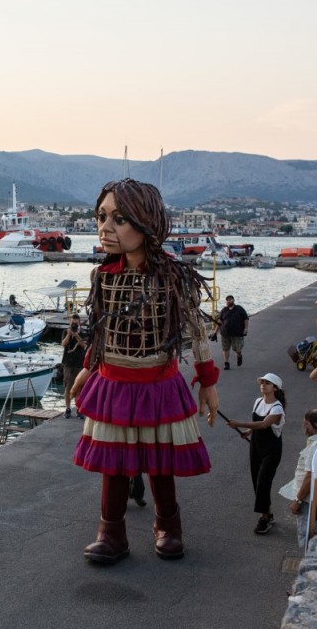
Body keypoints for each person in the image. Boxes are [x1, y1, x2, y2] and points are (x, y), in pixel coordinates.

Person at [71, 178, 218, 565]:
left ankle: (168, 526)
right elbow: (101, 328)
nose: (106, 228)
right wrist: (88, 368)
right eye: (102, 217)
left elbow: (196, 328)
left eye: (119, 219)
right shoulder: (102, 276)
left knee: (161, 461)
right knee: (114, 464)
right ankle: (111, 532)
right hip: (115, 379)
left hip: (157, 381)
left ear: (146, 221)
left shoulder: (171, 276)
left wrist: (207, 379)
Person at [226, 373, 285, 535]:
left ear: (275, 388)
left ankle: (264, 518)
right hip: (256, 447)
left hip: (271, 451)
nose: (263, 385)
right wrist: (248, 432)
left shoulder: (277, 408)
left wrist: (239, 423)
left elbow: (264, 424)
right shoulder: (258, 402)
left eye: (267, 383)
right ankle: (268, 512)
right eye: (263, 382)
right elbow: (256, 425)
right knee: (256, 482)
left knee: (263, 482)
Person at [278, 410, 317, 549]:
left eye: (306, 424)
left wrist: (297, 501)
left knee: (306, 535)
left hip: (307, 499)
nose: (304, 427)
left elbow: (310, 477)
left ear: (315, 425)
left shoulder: (316, 447)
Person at [61, 313, 89, 418]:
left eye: (76, 324)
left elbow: (84, 346)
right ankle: (68, 408)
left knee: (79, 388)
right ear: (70, 323)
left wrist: (77, 335)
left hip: (79, 363)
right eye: (72, 323)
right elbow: (63, 344)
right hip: (68, 363)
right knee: (67, 387)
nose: (74, 326)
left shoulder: (82, 333)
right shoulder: (65, 332)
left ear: (79, 324)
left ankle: (78, 409)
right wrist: (69, 334)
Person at [210, 295, 249, 370]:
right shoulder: (224, 310)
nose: (229, 301)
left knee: (238, 349)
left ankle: (239, 356)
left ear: (233, 300)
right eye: (227, 300)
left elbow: (246, 319)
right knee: (225, 348)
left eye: (230, 299)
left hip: (237, 334)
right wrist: (215, 332)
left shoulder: (239, 309)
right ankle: (226, 363)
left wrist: (246, 328)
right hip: (225, 333)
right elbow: (220, 321)